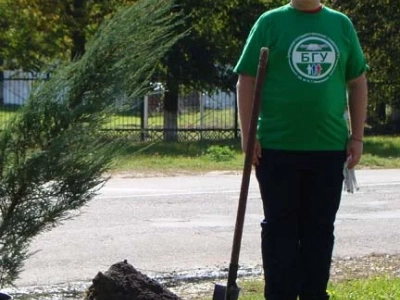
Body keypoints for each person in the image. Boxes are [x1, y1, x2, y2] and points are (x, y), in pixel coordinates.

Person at [233, 0, 368, 299]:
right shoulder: (270, 23)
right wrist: (248, 133)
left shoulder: (341, 25)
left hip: (329, 149)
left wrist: (356, 137)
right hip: (276, 149)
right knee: (280, 230)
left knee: (318, 231)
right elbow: (247, 79)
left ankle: (314, 295)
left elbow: (357, 81)